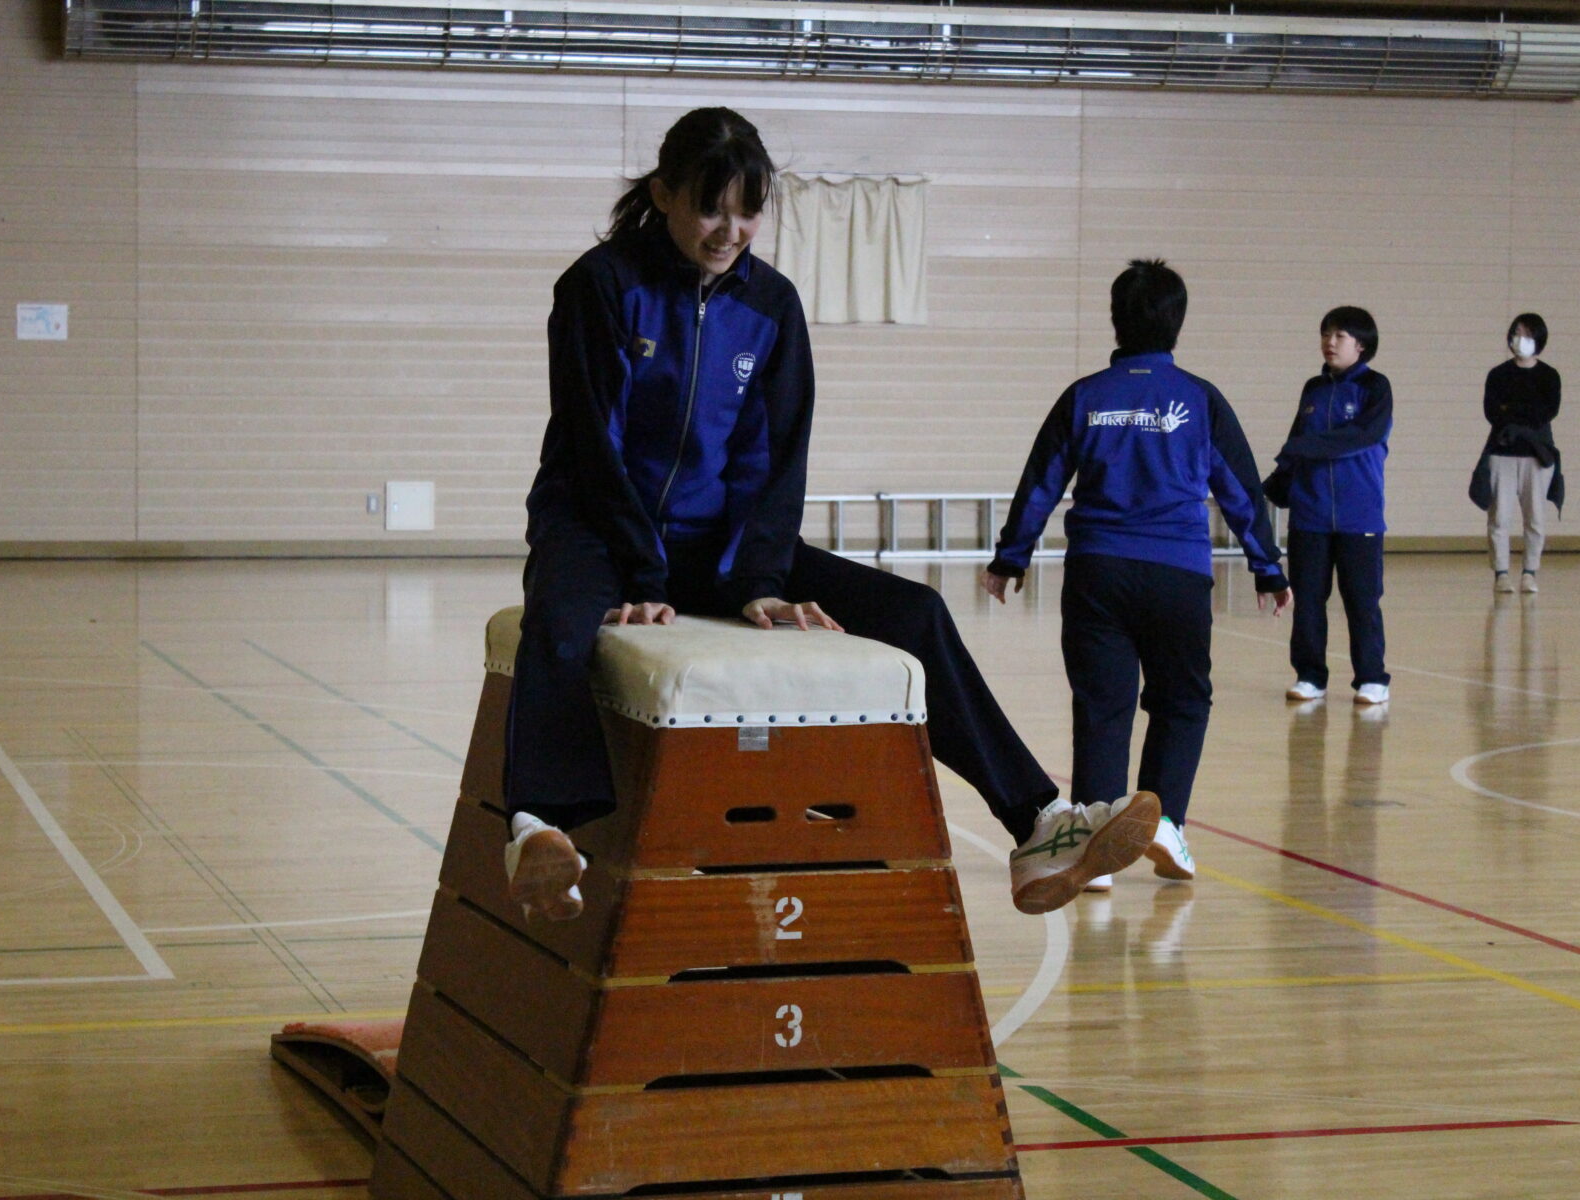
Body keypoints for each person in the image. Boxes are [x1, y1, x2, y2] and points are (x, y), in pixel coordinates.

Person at [504, 107, 1157, 923]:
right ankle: (540, 831)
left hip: (716, 544)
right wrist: (637, 574)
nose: (729, 230)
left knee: (913, 612)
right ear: (665, 194)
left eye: (748, 211)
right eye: (711, 208)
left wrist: (760, 579)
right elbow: (593, 443)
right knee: (561, 625)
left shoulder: (772, 305)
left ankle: (1037, 824)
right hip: (594, 529)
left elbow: (775, 459)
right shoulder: (600, 287)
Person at [983, 259, 1290, 890]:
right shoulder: (1200, 400)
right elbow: (1240, 489)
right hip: (1177, 576)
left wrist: (1011, 557)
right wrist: (1268, 566)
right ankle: (1167, 823)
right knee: (1181, 702)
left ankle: (1098, 844)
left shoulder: (1086, 397)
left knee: (1103, 705)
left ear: (1116, 321)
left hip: (1097, 573)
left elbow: (1040, 482)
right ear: (1178, 323)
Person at [1263, 306, 1393, 706]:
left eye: (1339, 336)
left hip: (1360, 517)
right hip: (1310, 516)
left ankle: (1372, 678)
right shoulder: (1312, 390)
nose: (1330, 342)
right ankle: (1310, 675)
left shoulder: (1376, 387)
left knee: (1361, 600)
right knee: (1308, 599)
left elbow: (1364, 434)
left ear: (1362, 344)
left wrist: (1307, 448)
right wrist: (1276, 482)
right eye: (1326, 334)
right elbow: (1295, 439)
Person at [1476, 313, 1561, 594]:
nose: (1519, 340)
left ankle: (1529, 572)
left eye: (1526, 335)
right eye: (1516, 333)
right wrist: (1517, 413)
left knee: (1535, 517)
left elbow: (1546, 412)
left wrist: (1513, 411)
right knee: (1499, 517)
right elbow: (1493, 412)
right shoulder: (1498, 375)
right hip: (1502, 453)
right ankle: (1501, 572)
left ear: (1538, 340)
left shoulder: (1549, 376)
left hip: (1537, 456)